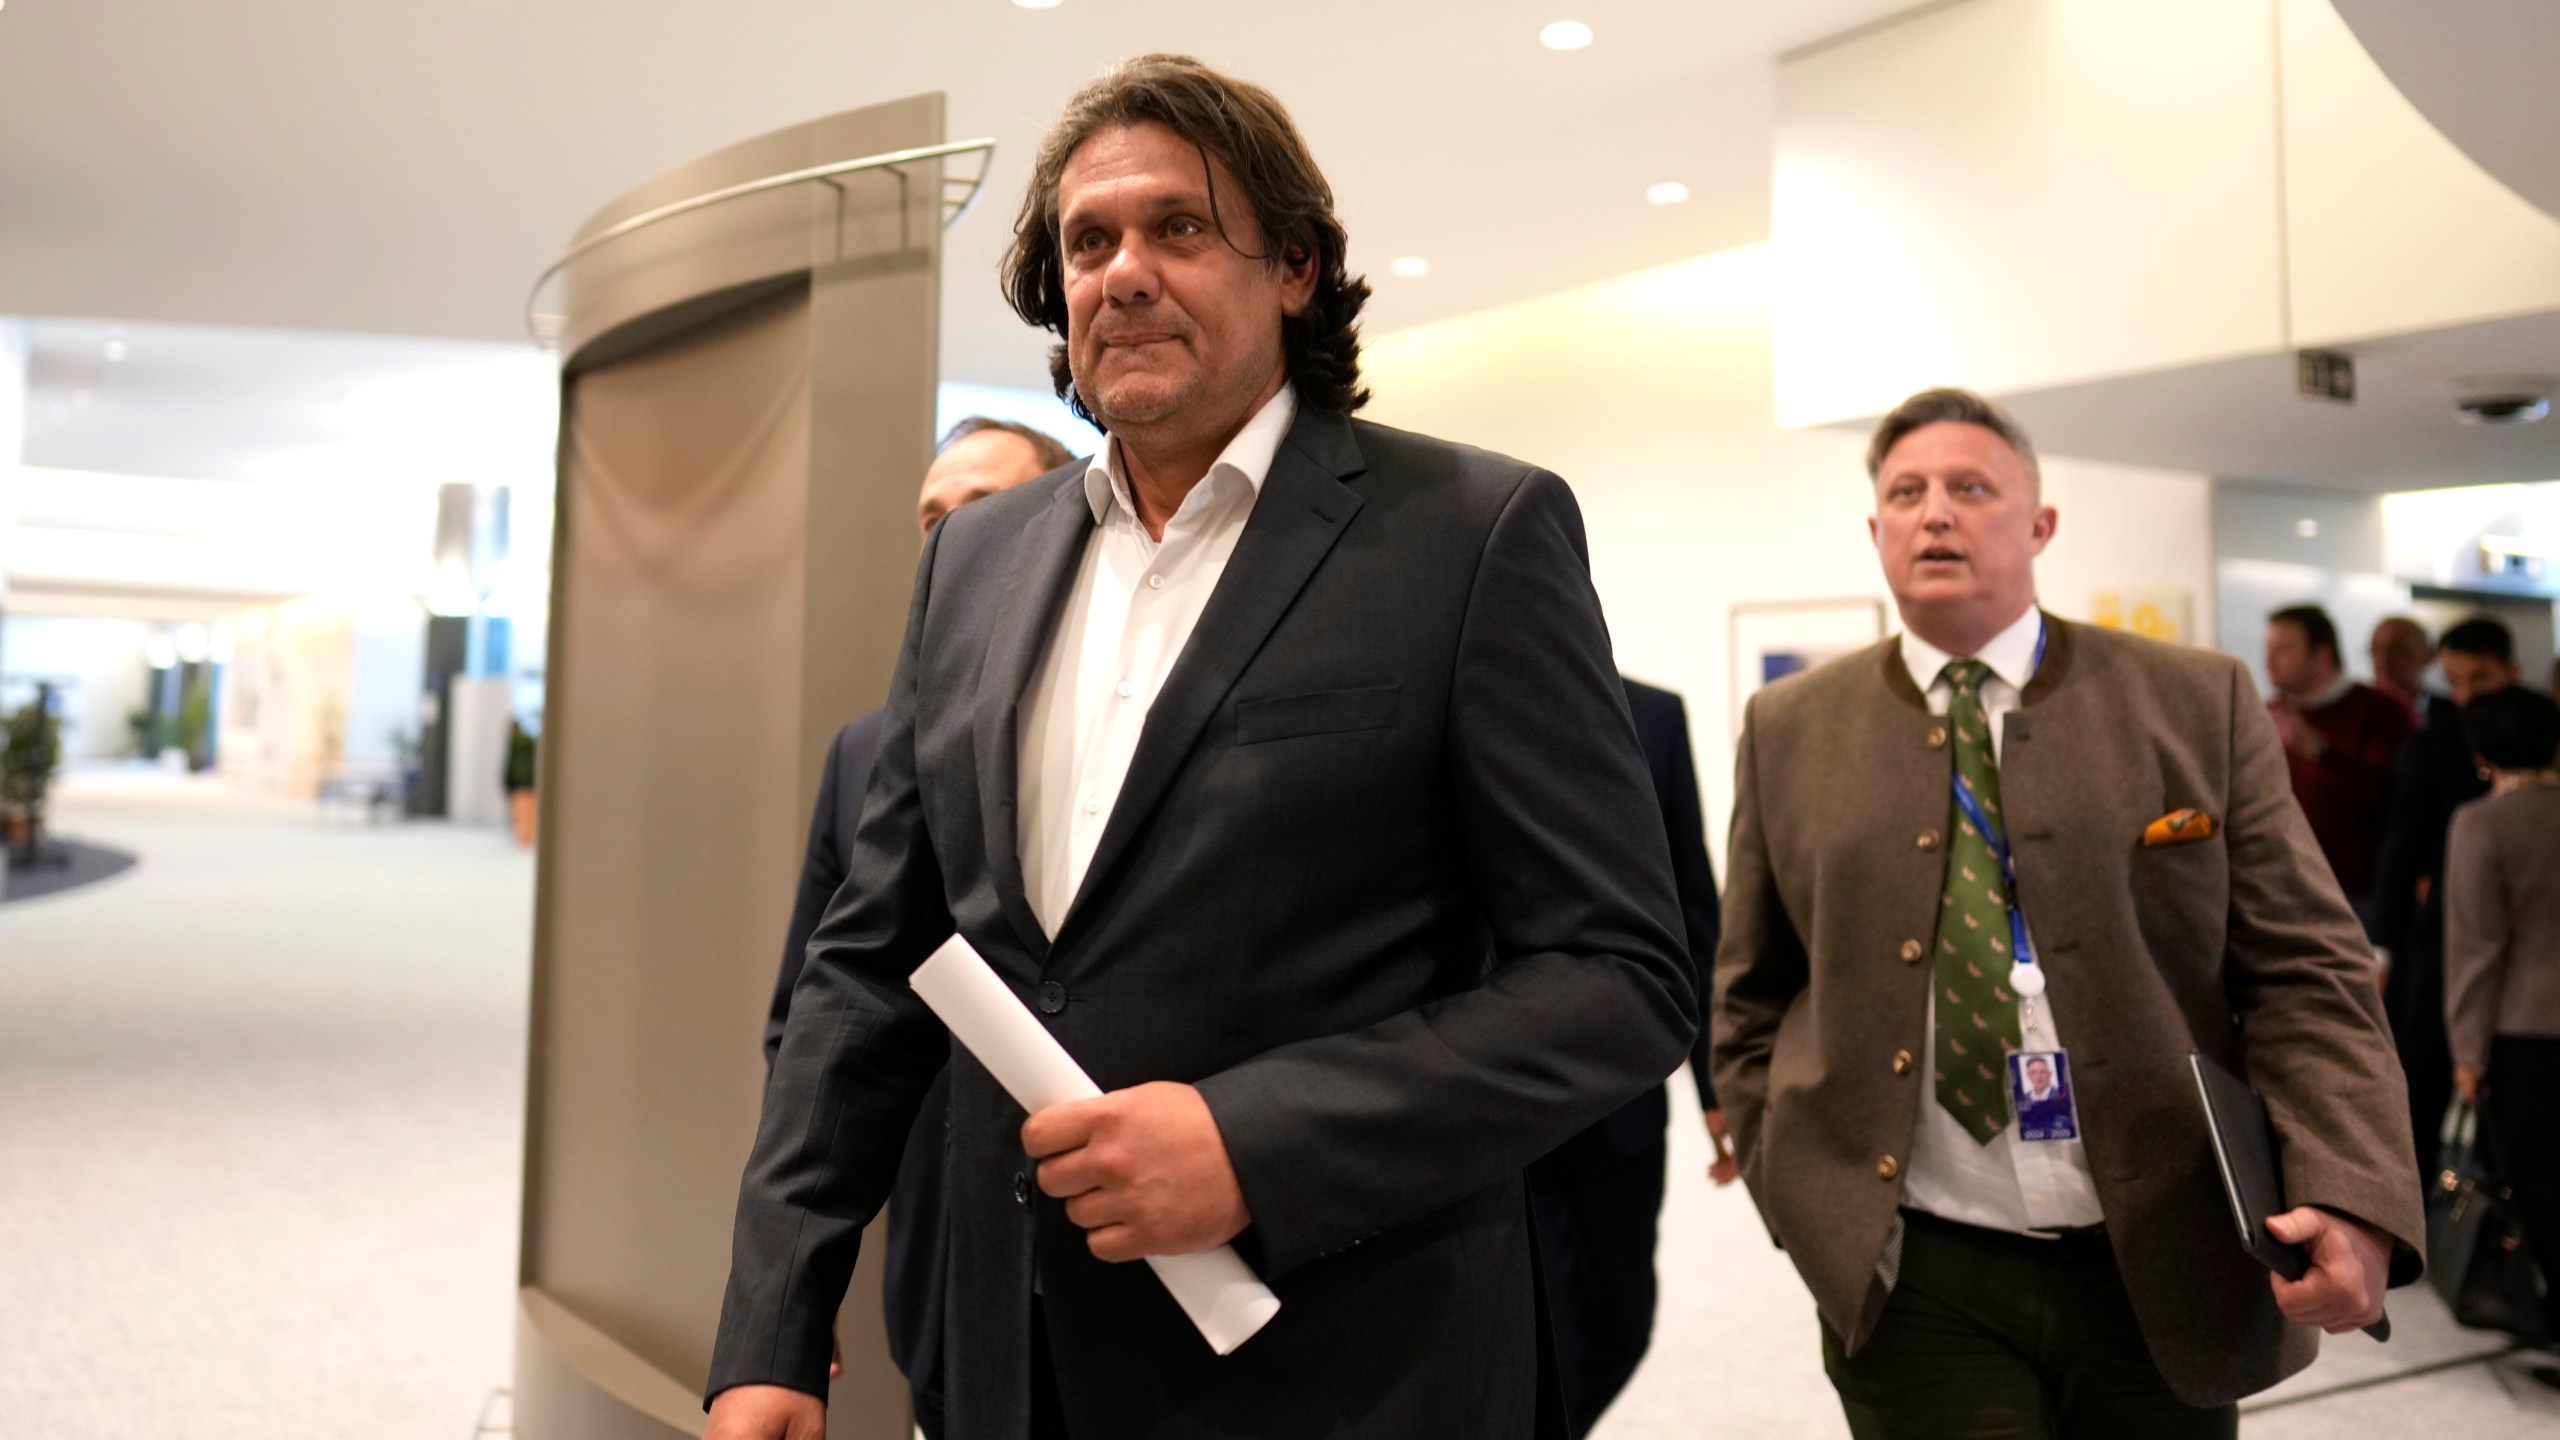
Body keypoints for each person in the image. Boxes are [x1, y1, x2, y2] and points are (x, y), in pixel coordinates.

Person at [705, 54, 1694, 1440]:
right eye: (1087, 241)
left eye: (1178, 227)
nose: (1124, 271)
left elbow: (1620, 980)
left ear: (1294, 267)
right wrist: (773, 1325)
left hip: (1341, 1360)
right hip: (1010, 1359)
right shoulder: (973, 566)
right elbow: (869, 968)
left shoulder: (1473, 534)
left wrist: (1256, 1142)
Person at [1714, 387, 2422, 1438]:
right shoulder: (1788, 727)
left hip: (2164, 1252)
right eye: (1904, 493)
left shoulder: (2192, 699)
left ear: (2039, 524)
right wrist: (1795, 1188)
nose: (1935, 513)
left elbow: (2305, 974)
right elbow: (1752, 990)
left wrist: (2353, 1190)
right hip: (1915, 1267)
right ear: (1875, 531)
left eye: (1970, 487)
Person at [763, 416, 1073, 1438]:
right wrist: (793, 1285)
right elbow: (817, 1015)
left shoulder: (1117, 714)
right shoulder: (864, 752)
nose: (949, 541)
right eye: (930, 519)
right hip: (946, 1243)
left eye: (979, 511)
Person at [1525, 676, 1727, 1439]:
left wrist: (1716, 1086)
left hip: (1622, 1087)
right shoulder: (1443, 684)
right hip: (1492, 1097)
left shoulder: (1653, 715)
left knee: (1621, 1324)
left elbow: (1691, 912)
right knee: (1533, 1329)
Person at [2373, 617, 2519, 1180]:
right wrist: (2382, 943)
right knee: (2426, 1068)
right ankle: (2424, 1215)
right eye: (2453, 679)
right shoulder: (2433, 743)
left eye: (2477, 678)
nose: (2464, 694)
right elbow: (2401, 849)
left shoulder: (2537, 730)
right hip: (2443, 933)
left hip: (2527, 938)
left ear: (2511, 670)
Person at [2442, 685, 2560, 1352]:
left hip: (2526, 1030)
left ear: (2482, 753)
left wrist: (2467, 1051)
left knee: (2542, 1186)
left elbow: (2477, 947)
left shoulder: (2483, 823)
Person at [2265, 603, 2416, 914]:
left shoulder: (2384, 710)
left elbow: (2396, 797)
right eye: (2267, 650)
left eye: (2282, 650)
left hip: (2361, 893)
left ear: (2321, 654)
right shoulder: (2266, 713)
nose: (2268, 662)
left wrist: (2320, 750)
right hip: (2283, 889)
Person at [2368, 615, 2432, 722]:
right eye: (2376, 649)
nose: (2383, 660)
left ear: (2427, 655)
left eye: (2397, 649)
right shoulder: (2352, 713)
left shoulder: (2454, 715)